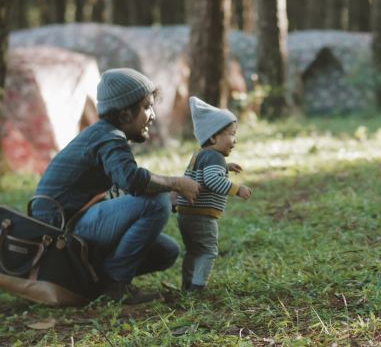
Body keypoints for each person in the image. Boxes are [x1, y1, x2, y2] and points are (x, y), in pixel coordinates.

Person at [31, 68, 201, 304]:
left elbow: (123, 189)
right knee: (156, 203)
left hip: (73, 227)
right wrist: (176, 183)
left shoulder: (104, 135)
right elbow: (132, 180)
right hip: (61, 235)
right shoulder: (109, 137)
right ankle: (114, 284)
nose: (152, 115)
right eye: (146, 107)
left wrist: (169, 191)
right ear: (124, 115)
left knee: (166, 251)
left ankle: (94, 283)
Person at [175, 97, 252, 292]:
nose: (235, 140)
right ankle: (197, 288)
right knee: (208, 251)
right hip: (201, 215)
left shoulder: (201, 154)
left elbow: (203, 174)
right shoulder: (215, 156)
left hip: (187, 213)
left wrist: (225, 167)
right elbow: (212, 180)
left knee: (193, 251)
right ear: (213, 137)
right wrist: (237, 189)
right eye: (231, 134)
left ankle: (187, 285)